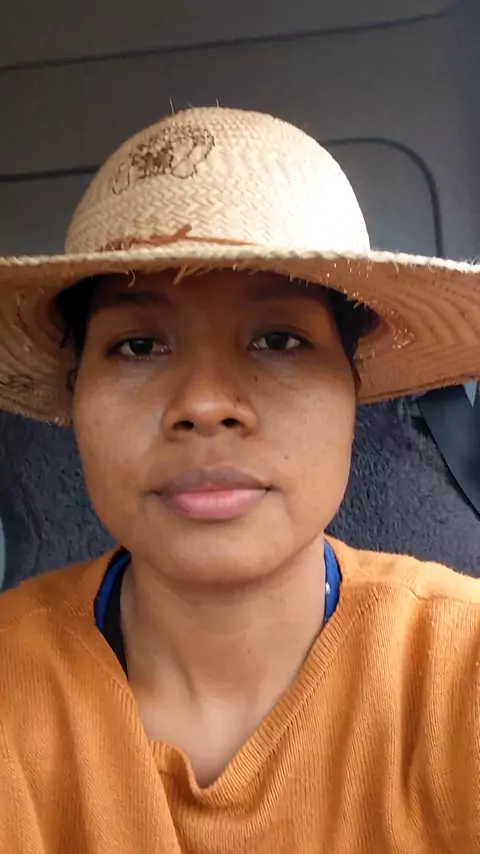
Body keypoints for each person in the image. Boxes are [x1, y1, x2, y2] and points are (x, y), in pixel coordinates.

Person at [0, 106, 480, 854]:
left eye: (279, 339)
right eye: (137, 346)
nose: (204, 404)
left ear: (353, 391)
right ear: (76, 392)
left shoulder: (462, 669)